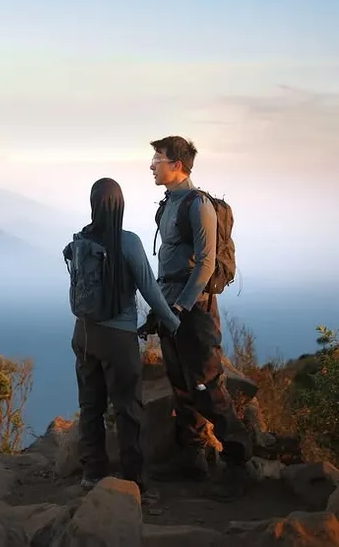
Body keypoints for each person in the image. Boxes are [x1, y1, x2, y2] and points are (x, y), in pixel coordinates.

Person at [142, 135, 253, 498]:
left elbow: (205, 264)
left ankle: (240, 463)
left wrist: (180, 308)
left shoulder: (197, 204)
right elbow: (167, 264)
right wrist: (160, 309)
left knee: (208, 385)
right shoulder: (168, 204)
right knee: (181, 384)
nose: (151, 165)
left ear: (177, 165)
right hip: (172, 306)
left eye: (157, 159)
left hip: (195, 310)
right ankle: (192, 459)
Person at [63, 177, 180, 498]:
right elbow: (150, 290)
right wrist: (172, 321)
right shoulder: (127, 243)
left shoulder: (79, 241)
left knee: (90, 405)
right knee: (128, 409)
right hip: (118, 338)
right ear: (120, 205)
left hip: (84, 333)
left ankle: (92, 473)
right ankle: (133, 479)